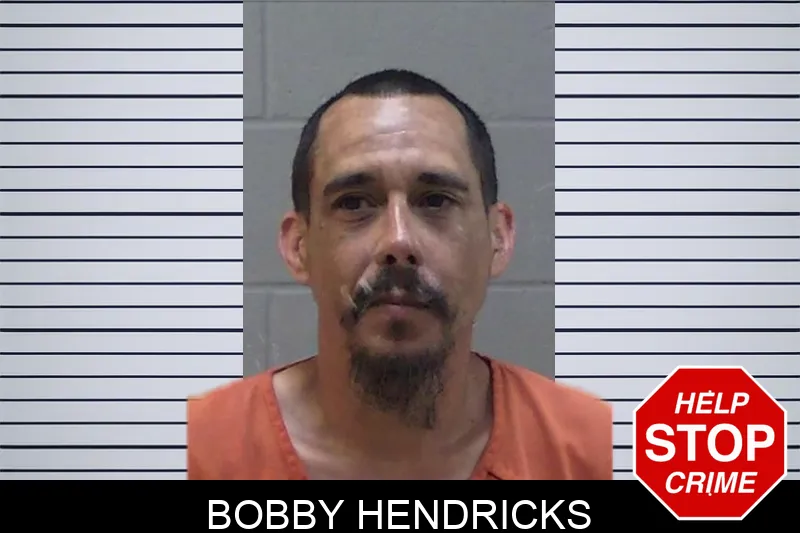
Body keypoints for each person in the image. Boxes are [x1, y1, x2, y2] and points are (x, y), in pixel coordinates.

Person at [187, 68, 612, 480]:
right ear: (299, 247)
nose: (398, 241)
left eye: (436, 200)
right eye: (354, 203)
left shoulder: (599, 450)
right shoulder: (194, 451)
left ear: (497, 238)